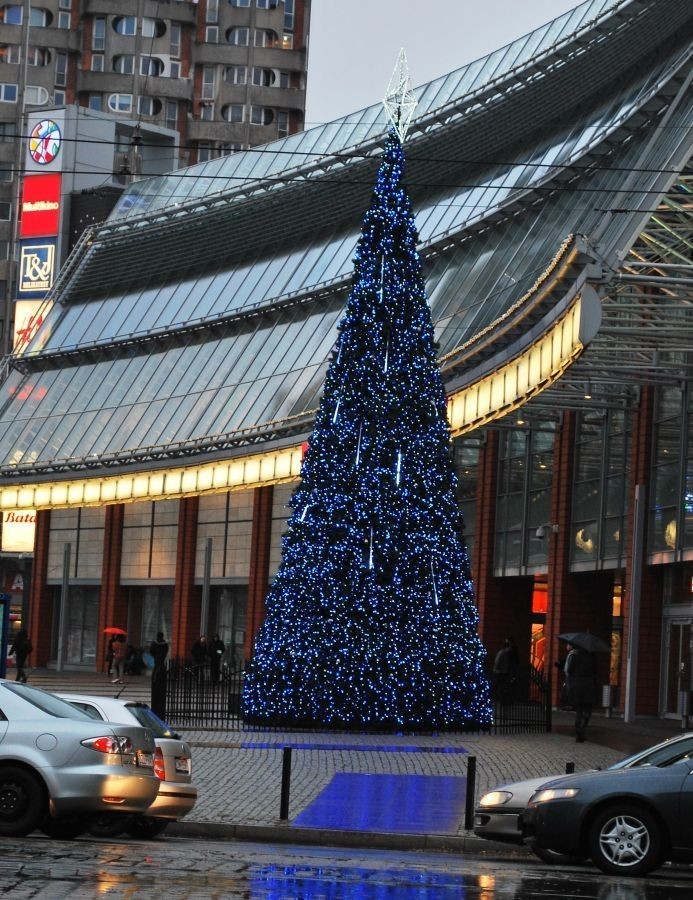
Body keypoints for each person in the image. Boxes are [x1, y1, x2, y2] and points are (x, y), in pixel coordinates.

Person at [564, 642, 598, 742]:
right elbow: (596, 672)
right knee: (587, 710)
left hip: (577, 685)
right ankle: (582, 728)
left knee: (579, 710)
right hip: (588, 686)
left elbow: (569, 670)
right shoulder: (592, 657)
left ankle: (578, 729)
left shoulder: (575, 656)